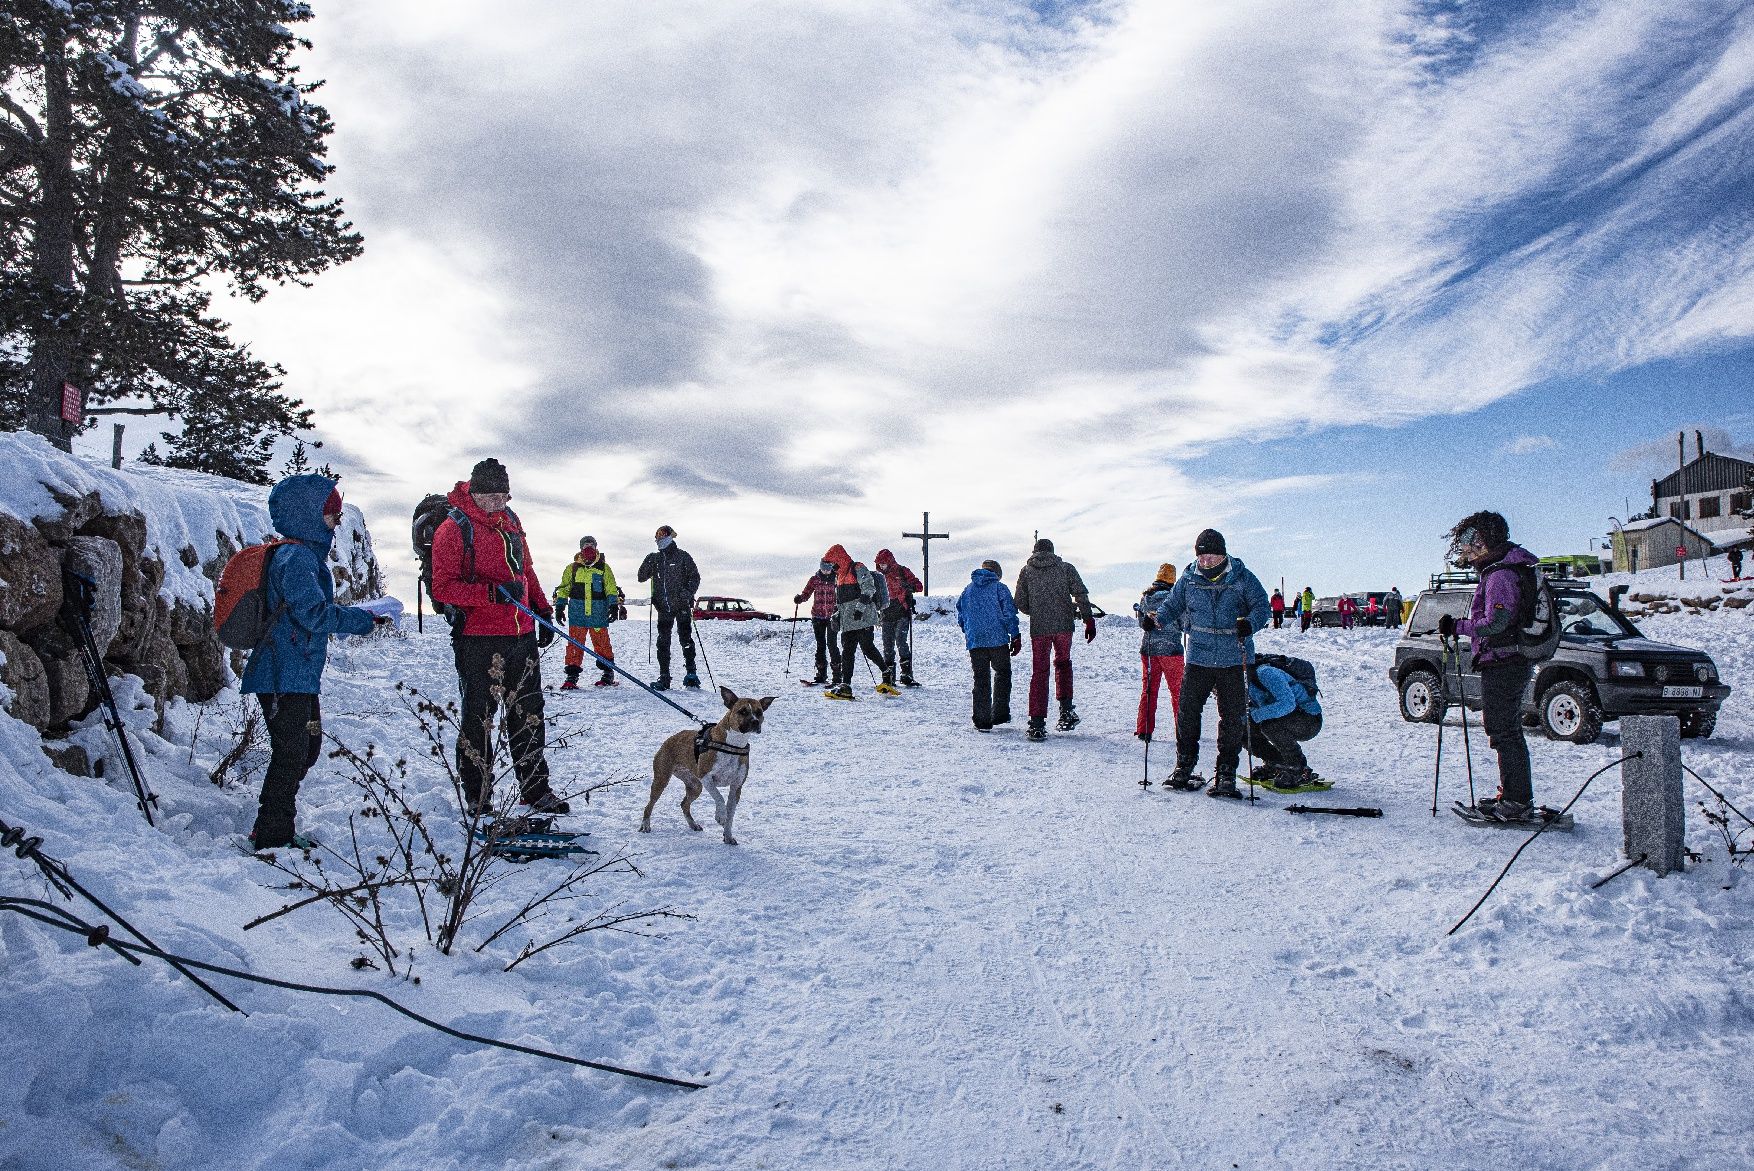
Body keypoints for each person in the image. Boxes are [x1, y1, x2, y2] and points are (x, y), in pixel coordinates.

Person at [240, 475, 382, 849]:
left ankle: (275, 823)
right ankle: (271, 832)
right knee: (292, 752)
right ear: (308, 515)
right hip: (281, 671)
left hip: (297, 671)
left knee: (306, 748)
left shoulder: (301, 555)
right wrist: (363, 620)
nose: (336, 523)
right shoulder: (297, 558)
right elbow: (313, 615)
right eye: (331, 514)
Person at [429, 458, 566, 816]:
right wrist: (488, 594)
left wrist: (543, 608)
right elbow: (444, 588)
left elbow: (526, 572)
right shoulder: (452, 529)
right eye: (489, 496)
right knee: (480, 717)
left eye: (502, 496)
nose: (496, 504)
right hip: (478, 639)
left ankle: (535, 789)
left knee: (528, 712)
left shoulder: (512, 522)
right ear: (473, 492)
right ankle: (478, 793)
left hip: (521, 633)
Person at [1146, 528, 1270, 797]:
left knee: (1231, 717)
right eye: (1202, 557)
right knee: (1188, 712)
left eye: (1211, 557)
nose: (1206, 562)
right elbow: (1172, 606)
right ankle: (1184, 766)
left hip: (1233, 659)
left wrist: (1250, 624)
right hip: (1199, 657)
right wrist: (1156, 620)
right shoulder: (1189, 578)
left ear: (1223, 554)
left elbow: (1262, 607)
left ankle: (1226, 772)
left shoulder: (1242, 577)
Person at [1438, 511, 1541, 822]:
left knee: (1504, 730)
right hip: (1505, 659)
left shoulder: (1500, 575)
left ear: (1483, 541)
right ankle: (1512, 794)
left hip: (1505, 660)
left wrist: (1459, 626)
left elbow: (1497, 622)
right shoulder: (1501, 569)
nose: (1466, 551)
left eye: (1469, 543)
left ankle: (1517, 800)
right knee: (1503, 729)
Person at [1013, 537, 1096, 741]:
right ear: (1052, 550)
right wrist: (1088, 619)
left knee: (1039, 672)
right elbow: (1081, 594)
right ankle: (1066, 712)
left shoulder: (1026, 571)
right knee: (1063, 664)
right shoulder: (1065, 568)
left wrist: (1037, 610)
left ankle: (1037, 723)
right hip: (1063, 627)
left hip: (1039, 628)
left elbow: (1020, 602)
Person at [956, 559, 1021, 731]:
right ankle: (999, 714)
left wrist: (970, 632)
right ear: (997, 574)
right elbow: (1009, 613)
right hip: (997, 640)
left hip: (976, 642)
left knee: (980, 679)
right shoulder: (1000, 588)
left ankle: (982, 720)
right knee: (1002, 673)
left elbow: (961, 616)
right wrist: (1015, 635)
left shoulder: (967, 590)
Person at [552, 536, 624, 689]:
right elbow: (564, 588)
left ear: (596, 547)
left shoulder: (604, 568)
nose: (588, 547)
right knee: (574, 644)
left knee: (602, 643)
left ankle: (607, 673)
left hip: (598, 614)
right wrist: (560, 606)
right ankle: (572, 676)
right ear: (580, 548)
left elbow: (611, 588)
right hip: (577, 614)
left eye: (591, 544)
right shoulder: (572, 568)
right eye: (586, 545)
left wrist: (613, 605)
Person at [822, 544, 891, 699]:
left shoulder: (858, 568)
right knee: (847, 652)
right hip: (848, 622)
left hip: (864, 618)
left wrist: (859, 609)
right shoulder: (839, 576)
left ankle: (886, 673)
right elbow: (842, 603)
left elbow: (869, 589)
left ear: (838, 559)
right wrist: (836, 616)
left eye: (832, 563)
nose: (831, 566)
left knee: (868, 648)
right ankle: (846, 685)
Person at [638, 524, 700, 690]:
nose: (659, 538)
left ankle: (691, 674)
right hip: (663, 608)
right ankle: (664, 677)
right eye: (657, 535)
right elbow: (641, 577)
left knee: (685, 638)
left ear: (671, 536)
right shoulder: (655, 559)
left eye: (663, 535)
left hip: (682, 606)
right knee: (663, 642)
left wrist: (687, 593)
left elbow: (695, 577)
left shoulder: (683, 557)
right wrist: (648, 562)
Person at [1246, 659, 1323, 787]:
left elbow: (1287, 704)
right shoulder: (1245, 682)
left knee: (1270, 726)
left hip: (1308, 720)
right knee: (1242, 728)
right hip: (1286, 718)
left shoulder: (1266, 673)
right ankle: (1276, 763)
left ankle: (1298, 767)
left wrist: (1255, 715)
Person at [1133, 563, 1184, 745]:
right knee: (1178, 691)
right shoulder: (1175, 598)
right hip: (1171, 651)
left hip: (1148, 650)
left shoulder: (1146, 598)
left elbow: (1142, 623)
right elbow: (1184, 624)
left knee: (1149, 690)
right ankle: (1182, 730)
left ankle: (1144, 729)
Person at [874, 548, 925, 687]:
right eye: (879, 564)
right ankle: (889, 675)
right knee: (887, 645)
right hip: (886, 614)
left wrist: (909, 586)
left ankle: (906, 674)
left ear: (889, 561)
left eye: (883, 563)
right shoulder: (878, 577)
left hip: (902, 612)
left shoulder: (902, 571)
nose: (882, 566)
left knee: (901, 641)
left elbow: (919, 586)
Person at [793, 559, 842, 685]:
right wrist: (800, 598)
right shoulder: (815, 579)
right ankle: (821, 674)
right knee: (820, 645)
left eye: (828, 568)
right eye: (823, 568)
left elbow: (842, 594)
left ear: (832, 568)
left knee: (832, 645)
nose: (826, 571)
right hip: (817, 616)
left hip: (832, 617)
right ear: (820, 568)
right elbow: (807, 593)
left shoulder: (837, 578)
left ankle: (837, 675)